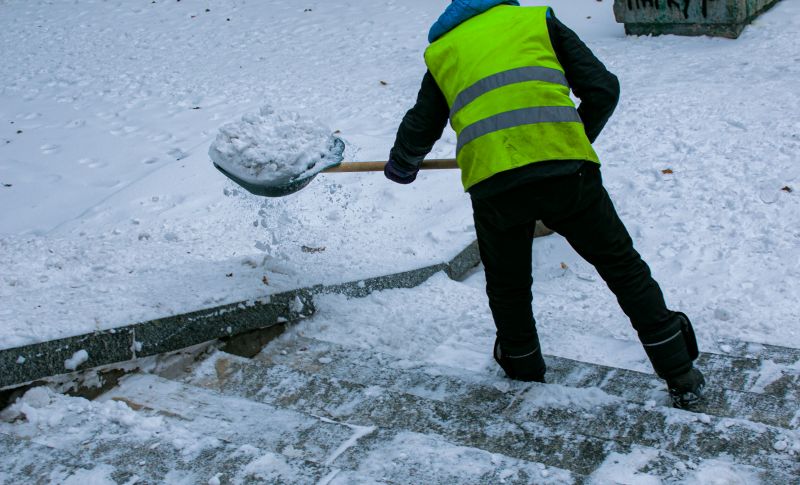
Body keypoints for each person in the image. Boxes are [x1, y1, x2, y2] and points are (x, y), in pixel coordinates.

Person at [384, 0, 705, 408]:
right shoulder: (536, 21)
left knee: (509, 286)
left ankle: (522, 369)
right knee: (622, 268)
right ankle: (681, 373)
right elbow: (603, 88)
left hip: (496, 182)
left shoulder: (445, 48)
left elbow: (421, 124)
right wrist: (570, 141)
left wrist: (402, 166)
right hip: (568, 175)